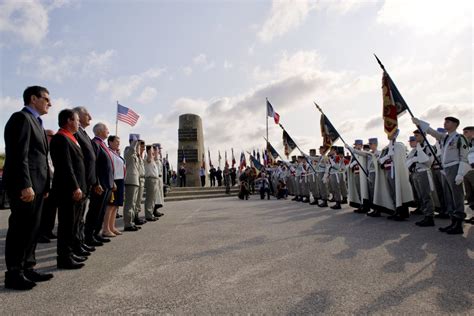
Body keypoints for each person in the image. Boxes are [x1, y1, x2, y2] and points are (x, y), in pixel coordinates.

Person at [3, 86, 54, 290]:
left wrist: (46, 184)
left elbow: (41, 158)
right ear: (33, 98)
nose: (50, 103)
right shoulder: (21, 118)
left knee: (33, 228)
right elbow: (18, 155)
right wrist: (25, 184)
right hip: (27, 186)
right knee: (20, 228)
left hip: (39, 185)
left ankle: (28, 266)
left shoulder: (38, 123)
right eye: (46, 99)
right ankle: (14, 272)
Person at [412, 116, 470, 234]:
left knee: (457, 196)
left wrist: (460, 173)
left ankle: (458, 224)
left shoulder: (460, 138)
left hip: (455, 167)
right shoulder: (445, 137)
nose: (445, 124)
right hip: (446, 169)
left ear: (455, 124)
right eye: (444, 121)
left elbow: (464, 156)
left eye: (447, 122)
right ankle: (453, 222)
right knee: (449, 196)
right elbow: (432, 132)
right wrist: (419, 123)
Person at [50, 109, 87, 269]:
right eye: (77, 120)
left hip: (76, 190)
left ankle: (70, 253)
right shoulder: (60, 138)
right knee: (66, 225)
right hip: (68, 190)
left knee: (73, 224)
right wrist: (75, 186)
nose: (79, 123)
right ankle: (64, 258)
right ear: (68, 120)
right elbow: (65, 166)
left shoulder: (72, 138)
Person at [72, 106, 98, 252]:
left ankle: (79, 243)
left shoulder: (83, 133)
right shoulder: (75, 133)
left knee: (80, 217)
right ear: (78, 116)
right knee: (76, 218)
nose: (91, 118)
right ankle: (75, 246)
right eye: (88, 115)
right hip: (80, 181)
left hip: (87, 181)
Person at [84, 123, 115, 245]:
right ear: (100, 131)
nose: (108, 131)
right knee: (94, 211)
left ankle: (96, 233)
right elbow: (93, 166)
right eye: (106, 129)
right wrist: (96, 183)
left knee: (101, 211)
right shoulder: (95, 144)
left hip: (107, 183)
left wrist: (112, 181)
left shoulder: (102, 144)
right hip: (100, 185)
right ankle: (89, 236)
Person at [374, 129, 414, 221]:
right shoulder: (386, 148)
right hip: (388, 171)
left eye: (391, 133)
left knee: (398, 191)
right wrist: (388, 156)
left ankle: (402, 212)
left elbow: (400, 160)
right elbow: (380, 160)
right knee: (392, 192)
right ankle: (396, 210)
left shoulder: (399, 146)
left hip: (396, 172)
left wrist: (391, 154)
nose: (389, 135)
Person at [406, 130, 435, 227]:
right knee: (421, 195)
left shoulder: (427, 147)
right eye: (415, 135)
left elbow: (428, 162)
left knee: (426, 195)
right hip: (415, 173)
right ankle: (425, 214)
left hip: (423, 172)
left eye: (417, 135)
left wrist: (416, 158)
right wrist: (415, 158)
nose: (415, 137)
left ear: (423, 135)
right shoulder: (415, 150)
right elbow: (407, 162)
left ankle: (430, 217)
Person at [102, 135, 125, 236]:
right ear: (110, 142)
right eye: (116, 141)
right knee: (110, 206)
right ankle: (106, 229)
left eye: (119, 142)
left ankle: (112, 227)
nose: (118, 143)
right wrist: (112, 181)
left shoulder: (116, 153)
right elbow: (110, 168)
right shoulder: (108, 152)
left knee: (116, 206)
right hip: (114, 180)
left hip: (120, 180)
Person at [37, 129, 58, 243]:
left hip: (52, 184)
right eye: (52, 136)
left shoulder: (52, 150)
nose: (54, 139)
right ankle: (41, 233)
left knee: (51, 210)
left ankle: (48, 231)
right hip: (44, 184)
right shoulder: (43, 149)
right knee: (43, 211)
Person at [123, 138, 141, 231]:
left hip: (136, 181)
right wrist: (134, 142)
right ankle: (127, 224)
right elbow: (131, 150)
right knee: (129, 203)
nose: (138, 148)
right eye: (137, 146)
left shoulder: (136, 156)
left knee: (133, 203)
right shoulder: (128, 150)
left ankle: (131, 222)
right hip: (130, 180)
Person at [144, 145, 159, 222]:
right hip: (150, 179)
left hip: (155, 179)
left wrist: (155, 152)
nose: (153, 151)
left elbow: (156, 157)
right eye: (152, 150)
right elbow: (150, 157)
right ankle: (148, 215)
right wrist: (150, 150)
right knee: (150, 198)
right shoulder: (147, 158)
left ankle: (151, 213)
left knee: (153, 198)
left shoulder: (153, 159)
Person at [463, 126, 474, 224]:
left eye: (466, 132)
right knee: (470, 195)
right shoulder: (466, 144)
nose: (464, 134)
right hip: (467, 171)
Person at [153, 144, 165, 218]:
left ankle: (155, 210)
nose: (160, 151)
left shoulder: (158, 158)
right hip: (155, 178)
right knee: (156, 196)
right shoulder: (153, 158)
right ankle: (153, 210)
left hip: (160, 178)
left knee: (159, 196)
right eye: (158, 149)